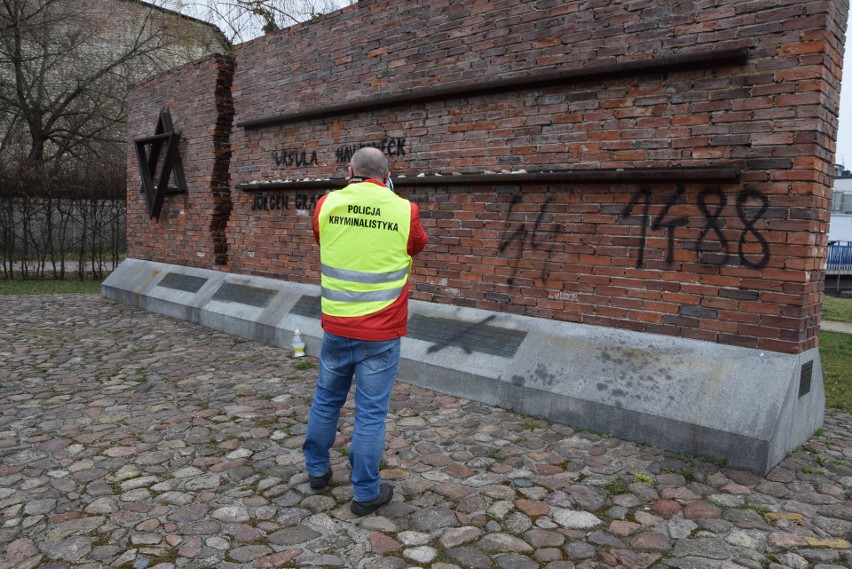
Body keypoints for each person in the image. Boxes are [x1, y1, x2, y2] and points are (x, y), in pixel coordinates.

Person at [302, 146, 428, 516]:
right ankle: (365, 493)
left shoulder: (327, 204)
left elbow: (322, 239)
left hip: (338, 327)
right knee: (371, 414)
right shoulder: (405, 210)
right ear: (387, 175)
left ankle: (317, 472)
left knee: (326, 401)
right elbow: (418, 245)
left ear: (350, 170)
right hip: (382, 332)